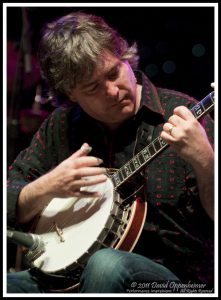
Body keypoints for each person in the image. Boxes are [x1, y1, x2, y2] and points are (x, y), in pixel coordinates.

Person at [7, 11, 214, 294]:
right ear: (70, 94)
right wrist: (47, 186)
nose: (114, 91)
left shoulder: (184, 114)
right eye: (93, 88)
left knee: (106, 265)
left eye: (114, 72)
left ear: (126, 59)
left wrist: (205, 159)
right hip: (66, 280)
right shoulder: (61, 127)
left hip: (174, 280)